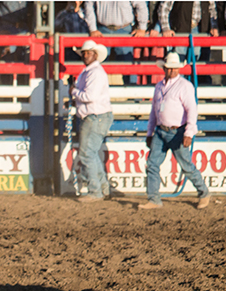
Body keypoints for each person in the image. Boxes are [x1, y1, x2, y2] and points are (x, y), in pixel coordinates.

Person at [141, 52, 210, 210]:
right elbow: (154, 111)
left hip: (177, 131)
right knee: (152, 164)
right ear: (164, 68)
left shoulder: (185, 86)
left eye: (174, 68)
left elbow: (192, 109)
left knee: (186, 165)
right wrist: (150, 132)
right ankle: (154, 199)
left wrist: (189, 132)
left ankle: (203, 192)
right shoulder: (159, 86)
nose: (172, 70)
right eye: (169, 68)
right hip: (160, 130)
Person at [71, 39, 113, 202]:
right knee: (91, 153)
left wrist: (74, 92)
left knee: (87, 153)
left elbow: (90, 97)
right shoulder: (90, 72)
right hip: (95, 115)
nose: (85, 55)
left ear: (95, 55)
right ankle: (103, 188)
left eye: (88, 53)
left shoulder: (93, 73)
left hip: (94, 116)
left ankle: (95, 190)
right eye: (84, 53)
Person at [83, 1, 148, 85]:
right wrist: (93, 28)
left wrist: (142, 27)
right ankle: (97, 90)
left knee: (127, 64)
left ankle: (132, 92)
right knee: (99, 63)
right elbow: (88, 5)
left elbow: (141, 5)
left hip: (124, 29)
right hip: (103, 30)